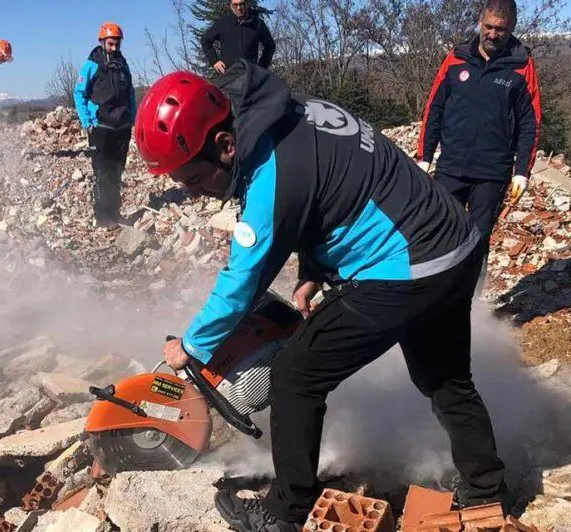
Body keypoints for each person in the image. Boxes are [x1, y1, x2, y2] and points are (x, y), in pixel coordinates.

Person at [135, 61, 508, 532]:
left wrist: (189, 346)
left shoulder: (272, 177)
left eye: (192, 178)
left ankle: (282, 514)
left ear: (225, 146)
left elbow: (241, 281)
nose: (191, 193)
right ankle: (488, 490)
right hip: (455, 244)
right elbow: (334, 190)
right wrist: (314, 270)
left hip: (408, 266)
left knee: (296, 373)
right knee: (446, 379)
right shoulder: (289, 112)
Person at [417, 0, 541, 288]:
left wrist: (522, 171)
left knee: (478, 237)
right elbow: (434, 107)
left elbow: (530, 122)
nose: (493, 34)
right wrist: (425, 156)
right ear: (480, 23)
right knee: (440, 230)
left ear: (511, 28)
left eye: (501, 29)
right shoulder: (456, 58)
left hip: (492, 171)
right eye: (488, 26)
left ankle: (470, 303)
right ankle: (432, 296)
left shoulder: (522, 65)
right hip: (451, 166)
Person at [73, 22, 136, 227]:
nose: (114, 48)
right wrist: (86, 121)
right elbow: (79, 93)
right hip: (100, 126)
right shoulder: (91, 64)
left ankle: (114, 213)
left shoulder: (123, 65)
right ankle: (102, 216)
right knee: (102, 171)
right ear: (102, 42)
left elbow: (131, 93)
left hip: (122, 126)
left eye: (117, 44)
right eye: (111, 44)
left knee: (117, 171)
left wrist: (132, 117)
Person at [201, 0, 276, 76]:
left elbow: (270, 46)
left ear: (247, 4)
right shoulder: (223, 23)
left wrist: (261, 68)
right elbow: (205, 40)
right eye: (235, 5)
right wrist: (214, 61)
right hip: (228, 77)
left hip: (250, 77)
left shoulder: (257, 24)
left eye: (241, 4)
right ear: (230, 5)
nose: (239, 8)